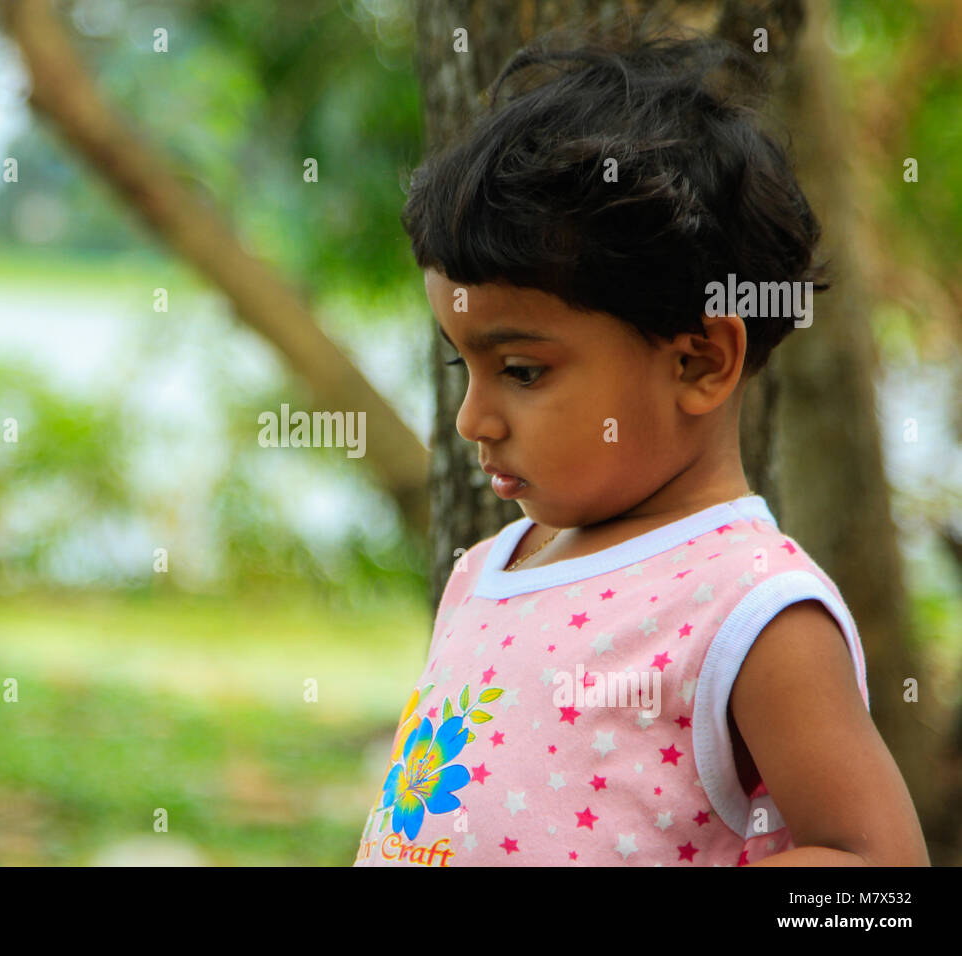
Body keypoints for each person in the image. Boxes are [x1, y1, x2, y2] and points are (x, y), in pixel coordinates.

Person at [353, 26, 929, 867]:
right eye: (460, 363)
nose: (471, 419)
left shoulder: (753, 609)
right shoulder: (488, 570)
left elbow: (877, 879)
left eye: (520, 369)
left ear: (698, 361)